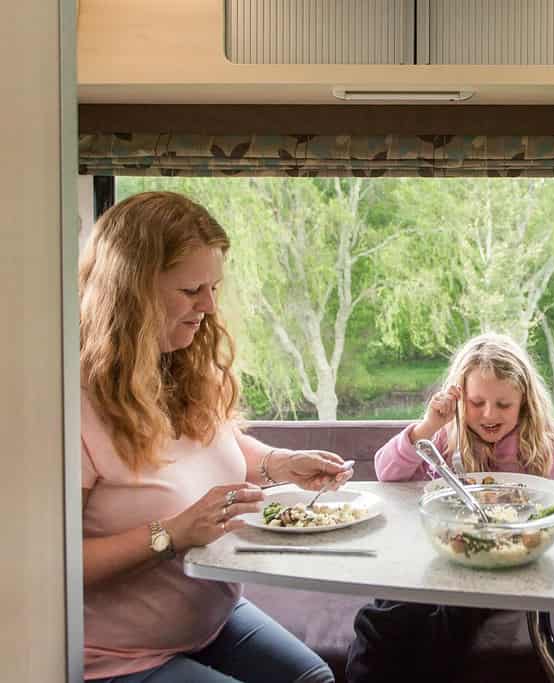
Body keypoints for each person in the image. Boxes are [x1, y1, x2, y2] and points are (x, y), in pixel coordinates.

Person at [80, 191, 353, 682]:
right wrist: (171, 535)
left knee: (314, 679)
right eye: (191, 290)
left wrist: (279, 463)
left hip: (211, 622)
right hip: (116, 656)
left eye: (213, 287)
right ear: (133, 292)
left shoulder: (176, 363)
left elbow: (211, 447)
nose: (208, 306)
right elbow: (55, 567)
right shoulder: (67, 406)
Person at [346, 332, 554, 682]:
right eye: (477, 402)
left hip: (501, 569)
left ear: (524, 403)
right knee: (381, 618)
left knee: (448, 622)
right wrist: (428, 426)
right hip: (438, 559)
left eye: (504, 405)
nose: (489, 414)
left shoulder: (539, 450)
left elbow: (547, 513)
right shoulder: (444, 437)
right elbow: (386, 472)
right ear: (460, 398)